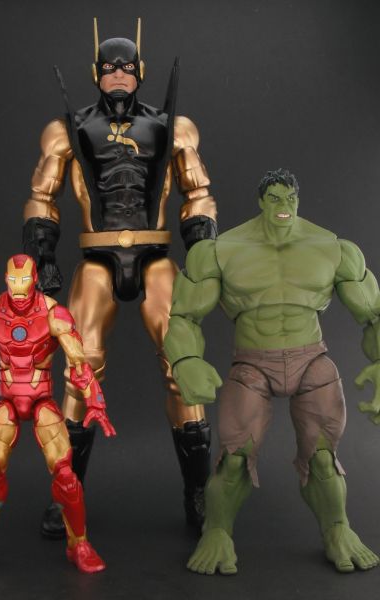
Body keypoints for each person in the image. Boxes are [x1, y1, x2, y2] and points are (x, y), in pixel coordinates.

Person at [23, 19, 218, 535]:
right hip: (97, 258)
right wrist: (42, 253)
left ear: (141, 71)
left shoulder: (172, 126)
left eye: (126, 67)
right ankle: (66, 494)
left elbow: (197, 193)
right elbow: (43, 196)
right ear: (95, 73)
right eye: (108, 67)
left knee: (183, 363)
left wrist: (203, 248)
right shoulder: (69, 129)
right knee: (80, 369)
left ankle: (199, 492)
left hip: (155, 256)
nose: (117, 75)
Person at [165, 168, 380, 574]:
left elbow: (373, 314)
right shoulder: (223, 250)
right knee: (233, 458)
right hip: (252, 363)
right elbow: (184, 316)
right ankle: (217, 532)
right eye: (275, 198)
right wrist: (186, 361)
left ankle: (338, 528)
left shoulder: (332, 248)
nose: (284, 205)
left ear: (298, 200)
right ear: (261, 201)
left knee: (323, 458)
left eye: (290, 198)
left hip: (312, 360)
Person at [0, 254, 115, 575]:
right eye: (13, 281)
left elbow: (79, 363)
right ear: (6, 280)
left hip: (41, 400)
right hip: (7, 401)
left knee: (66, 474)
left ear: (34, 280)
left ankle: (79, 544)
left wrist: (96, 403)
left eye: (24, 282)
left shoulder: (52, 313)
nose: (19, 289)